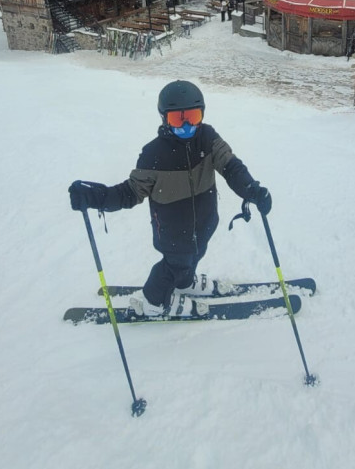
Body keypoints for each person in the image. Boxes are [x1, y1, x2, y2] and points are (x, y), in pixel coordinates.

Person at [69, 79, 272, 317]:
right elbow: (129, 192)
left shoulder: (208, 138)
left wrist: (252, 190)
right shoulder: (153, 154)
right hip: (173, 232)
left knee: (196, 254)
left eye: (193, 117)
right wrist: (95, 197)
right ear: (164, 119)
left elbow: (231, 166)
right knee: (174, 265)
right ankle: (153, 302)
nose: (186, 126)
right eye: (177, 119)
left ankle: (184, 283)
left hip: (205, 222)